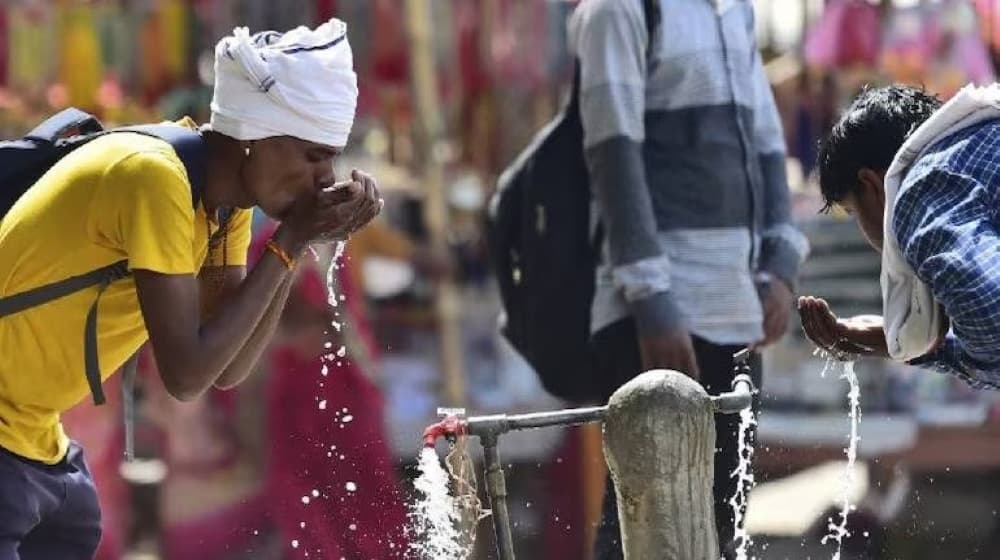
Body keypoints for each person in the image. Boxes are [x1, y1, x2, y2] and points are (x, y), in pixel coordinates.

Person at [0, 18, 381, 560]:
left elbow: (227, 367)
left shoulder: (224, 204)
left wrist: (295, 246)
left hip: (36, 440)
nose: (326, 178)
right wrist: (292, 238)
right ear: (252, 138)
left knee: (77, 526)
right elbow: (185, 374)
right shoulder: (155, 178)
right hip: (9, 443)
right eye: (313, 156)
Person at [569, 1, 809, 558]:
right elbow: (612, 153)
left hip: (738, 314)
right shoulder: (618, 10)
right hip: (657, 317)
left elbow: (766, 141)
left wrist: (780, 263)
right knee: (641, 524)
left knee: (719, 526)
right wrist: (652, 299)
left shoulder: (732, 9)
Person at [801, 83, 1000, 390]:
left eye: (853, 212)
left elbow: (992, 325)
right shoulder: (982, 138)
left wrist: (920, 345)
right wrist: (906, 343)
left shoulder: (920, 188)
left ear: (871, 185)